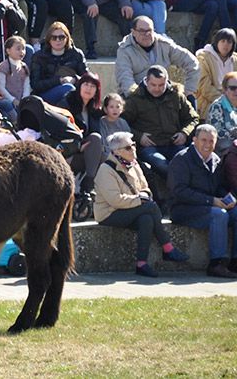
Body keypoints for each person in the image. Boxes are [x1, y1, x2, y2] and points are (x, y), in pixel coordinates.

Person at [95, 132, 190, 278]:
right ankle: (168, 248)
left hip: (131, 209)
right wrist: (140, 200)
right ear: (117, 152)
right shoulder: (105, 170)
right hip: (109, 213)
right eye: (128, 147)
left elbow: (145, 187)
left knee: (146, 219)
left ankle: (141, 264)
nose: (133, 149)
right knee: (150, 207)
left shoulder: (134, 164)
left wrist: (144, 195)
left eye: (133, 145)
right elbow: (115, 200)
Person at [167, 125, 237, 278]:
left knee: (235, 212)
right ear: (194, 140)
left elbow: (219, 187)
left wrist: (228, 198)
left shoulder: (216, 160)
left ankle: (234, 262)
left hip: (208, 206)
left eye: (211, 141)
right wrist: (211, 201)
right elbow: (179, 192)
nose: (207, 144)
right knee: (220, 215)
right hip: (183, 209)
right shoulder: (182, 159)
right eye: (203, 140)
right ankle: (215, 264)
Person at [123, 65, 199, 180]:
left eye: (161, 85)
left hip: (174, 143)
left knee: (188, 162)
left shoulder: (176, 95)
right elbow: (122, 124)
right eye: (153, 85)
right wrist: (139, 136)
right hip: (150, 147)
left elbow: (193, 118)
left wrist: (184, 133)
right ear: (146, 81)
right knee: (163, 165)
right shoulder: (135, 98)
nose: (157, 89)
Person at [115, 16, 200, 97]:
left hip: (162, 93)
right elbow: (125, 81)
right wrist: (140, 98)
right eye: (142, 31)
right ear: (133, 32)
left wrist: (189, 90)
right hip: (136, 96)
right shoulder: (124, 51)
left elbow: (192, 63)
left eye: (149, 30)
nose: (147, 34)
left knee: (189, 101)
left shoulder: (165, 45)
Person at [29, 21, 87, 105]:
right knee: (68, 88)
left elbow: (87, 78)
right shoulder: (39, 56)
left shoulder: (76, 54)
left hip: (73, 91)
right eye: (54, 37)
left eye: (61, 37)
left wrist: (74, 79)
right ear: (49, 39)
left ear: (67, 38)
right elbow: (35, 84)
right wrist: (59, 81)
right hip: (45, 95)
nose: (58, 40)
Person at [197, 28, 236, 111]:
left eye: (229, 42)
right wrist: (225, 101)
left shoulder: (235, 60)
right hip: (209, 105)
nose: (226, 45)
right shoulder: (203, 58)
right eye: (223, 41)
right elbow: (204, 87)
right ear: (216, 42)